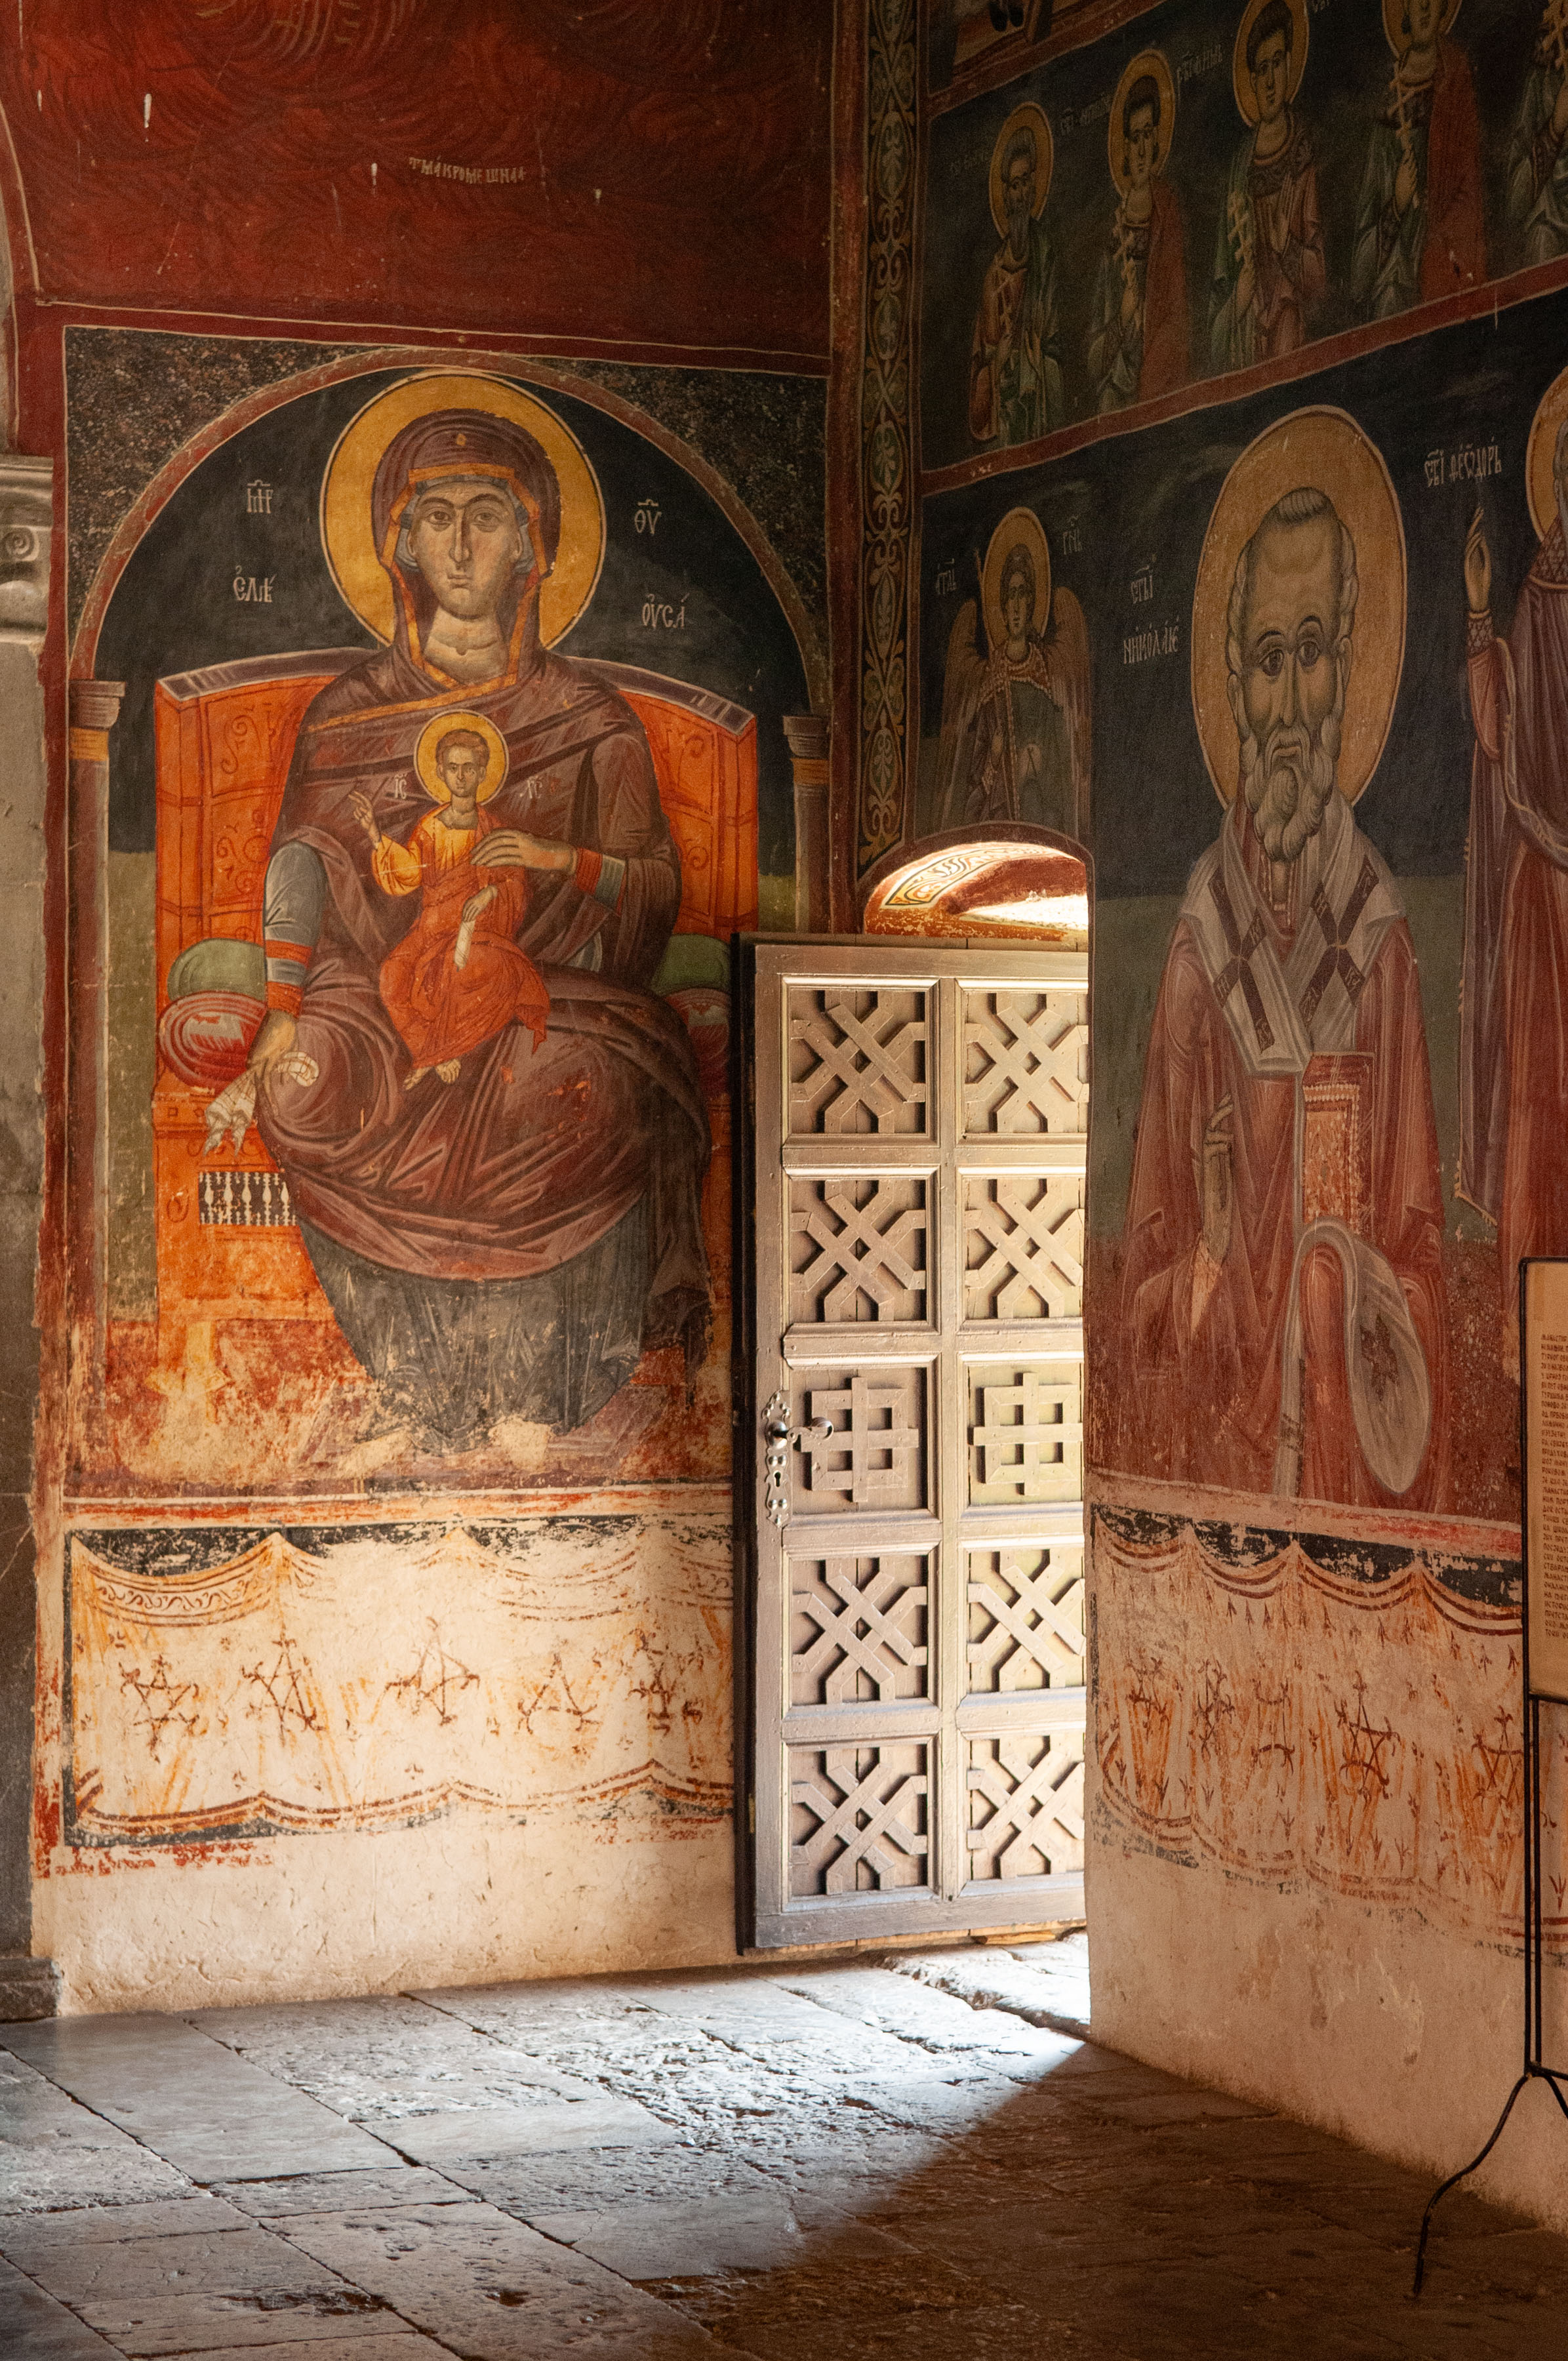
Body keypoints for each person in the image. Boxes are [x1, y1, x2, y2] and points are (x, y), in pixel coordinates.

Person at [205, 403, 711, 1453]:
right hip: (376, 997)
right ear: (401, 543)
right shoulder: (348, 715)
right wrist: (287, 1015)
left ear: (532, 545)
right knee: (304, 1099)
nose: (464, 541)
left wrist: (554, 862)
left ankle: (554, 1403)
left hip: (546, 993)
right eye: (437, 517)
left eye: (488, 514)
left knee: (584, 1089)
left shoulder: (593, 720)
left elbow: (653, 885)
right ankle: (412, 1390)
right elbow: (305, 865)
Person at [1120, 485, 1447, 1506]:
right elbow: (1140, 1303)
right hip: (1221, 1481)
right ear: (1233, 689)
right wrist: (1214, 1260)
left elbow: (1426, 1264)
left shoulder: (1377, 944)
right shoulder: (1194, 955)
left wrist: (1342, 1283)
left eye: (1313, 653)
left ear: (1348, 670)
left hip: (1346, 1484)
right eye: (1269, 660)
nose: (1294, 703)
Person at [1458, 446, 1568, 1327]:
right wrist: (1476, 614)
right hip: (1539, 890)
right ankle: (1533, 1301)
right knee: (1539, 1092)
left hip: (1541, 880)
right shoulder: (1535, 597)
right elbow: (1502, 741)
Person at [353, 725, 549, 1090]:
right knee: (393, 976)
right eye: (454, 767)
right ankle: (432, 1052)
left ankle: (438, 1054)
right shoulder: (430, 827)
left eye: (469, 768)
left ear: (482, 772)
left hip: (478, 933)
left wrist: (488, 895)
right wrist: (375, 836)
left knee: (467, 973)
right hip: (430, 929)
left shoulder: (494, 832)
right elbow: (409, 874)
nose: (461, 776)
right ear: (440, 772)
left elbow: (515, 884)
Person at [1210, 0, 1326, 373]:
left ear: (1290, 65)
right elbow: (1221, 282)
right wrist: (1239, 300)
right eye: (1263, 69)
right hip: (1249, 327)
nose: (1272, 80)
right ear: (1253, 81)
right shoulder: (1240, 170)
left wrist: (1286, 250)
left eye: (1278, 63)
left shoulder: (1302, 150)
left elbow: (1321, 279)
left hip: (1291, 315)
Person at [1351, 0, 1485, 319]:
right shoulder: (1389, 98)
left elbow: (1469, 191)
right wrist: (1396, 205)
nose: (1424, 7)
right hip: (1395, 272)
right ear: (1404, 10)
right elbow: (1359, 271)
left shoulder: (1455, 75)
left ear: (1444, 7)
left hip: (1445, 260)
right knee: (1391, 295)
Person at [1087, 72, 1189, 411]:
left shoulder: (1167, 209)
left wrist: (1148, 328)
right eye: (1135, 137)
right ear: (1125, 148)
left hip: (1158, 362)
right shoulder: (1114, 232)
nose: (1143, 149)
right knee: (1109, 402)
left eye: (1149, 134)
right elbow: (1094, 357)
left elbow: (1177, 305)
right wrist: (1122, 318)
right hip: (1119, 374)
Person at [969, 123, 1064, 446]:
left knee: (1049, 372)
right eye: (1013, 186)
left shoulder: (1046, 254)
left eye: (1026, 183)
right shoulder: (993, 276)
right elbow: (982, 362)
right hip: (1003, 397)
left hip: (1036, 387)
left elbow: (1052, 335)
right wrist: (1001, 362)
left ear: (1034, 189)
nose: (1021, 194)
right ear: (1006, 196)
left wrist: (1029, 354)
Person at [1508, 7, 1568, 266]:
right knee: (1544, 240)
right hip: (1551, 223)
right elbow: (1514, 204)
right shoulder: (1541, 78)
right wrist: (1555, 126)